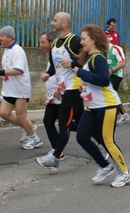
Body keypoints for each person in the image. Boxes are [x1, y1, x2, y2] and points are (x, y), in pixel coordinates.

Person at [71, 24, 130, 187]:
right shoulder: (88, 58)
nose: (81, 41)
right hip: (92, 106)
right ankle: (104, 166)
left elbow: (104, 80)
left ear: (93, 39)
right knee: (82, 136)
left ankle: (125, 173)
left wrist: (81, 73)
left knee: (107, 141)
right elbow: (90, 79)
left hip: (107, 105)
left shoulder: (98, 57)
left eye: (84, 38)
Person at [36, 12, 85, 167]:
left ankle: (55, 157)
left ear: (64, 24)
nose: (52, 23)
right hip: (63, 90)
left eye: (55, 20)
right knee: (83, 122)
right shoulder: (56, 42)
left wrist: (73, 63)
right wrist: (47, 74)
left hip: (74, 88)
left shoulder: (75, 41)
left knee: (64, 123)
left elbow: (87, 59)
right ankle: (102, 140)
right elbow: (54, 64)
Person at [0, 25, 43, 149]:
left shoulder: (17, 50)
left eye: (2, 36)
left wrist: (2, 72)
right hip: (9, 90)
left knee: (20, 116)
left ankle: (36, 139)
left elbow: (18, 70)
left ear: (9, 37)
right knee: (3, 113)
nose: (0, 38)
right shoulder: (7, 50)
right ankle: (27, 127)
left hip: (20, 90)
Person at [39, 30, 68, 160]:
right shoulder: (52, 55)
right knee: (48, 121)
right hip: (52, 97)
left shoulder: (60, 54)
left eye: (43, 42)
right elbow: (53, 72)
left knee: (67, 124)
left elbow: (68, 74)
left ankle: (96, 133)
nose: (40, 45)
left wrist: (61, 90)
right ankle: (57, 151)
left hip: (62, 96)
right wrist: (47, 75)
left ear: (51, 42)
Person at [107, 41, 130, 124]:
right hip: (106, 76)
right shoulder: (100, 50)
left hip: (116, 75)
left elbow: (123, 62)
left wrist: (112, 70)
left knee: (111, 94)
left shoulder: (115, 49)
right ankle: (122, 114)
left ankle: (123, 114)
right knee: (110, 95)